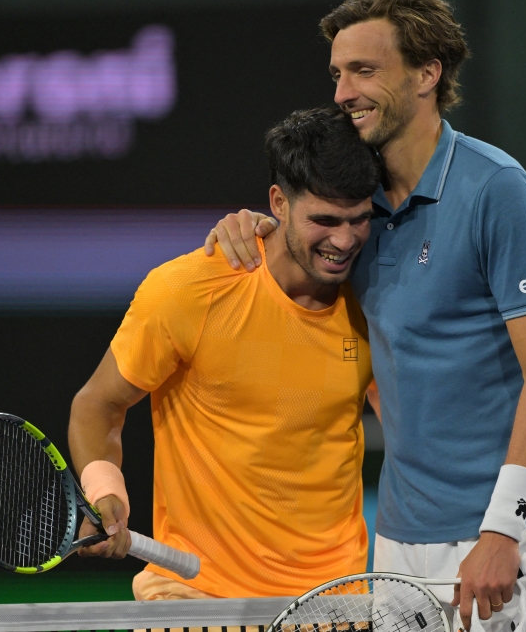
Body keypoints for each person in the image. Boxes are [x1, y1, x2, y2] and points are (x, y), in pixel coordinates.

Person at [205, 0, 526, 632]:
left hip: (503, 529)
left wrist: (502, 530)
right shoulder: (358, 207)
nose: (343, 92)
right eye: (337, 74)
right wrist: (252, 223)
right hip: (402, 533)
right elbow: (301, 231)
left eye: (364, 70)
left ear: (427, 74)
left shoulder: (498, 191)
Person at [68, 107, 380, 600]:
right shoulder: (188, 290)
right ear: (278, 201)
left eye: (359, 220)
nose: (344, 241)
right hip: (196, 597)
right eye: (324, 220)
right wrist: (106, 491)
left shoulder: (376, 297)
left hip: (333, 601)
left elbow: (414, 434)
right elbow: (98, 403)